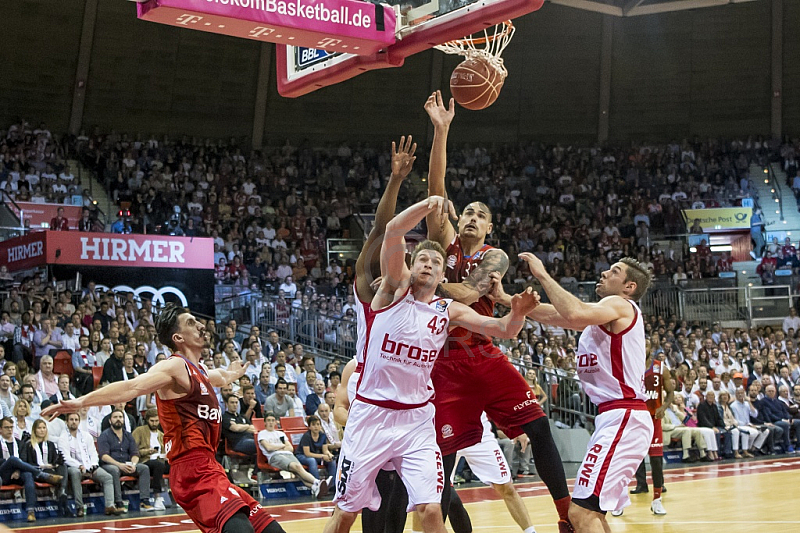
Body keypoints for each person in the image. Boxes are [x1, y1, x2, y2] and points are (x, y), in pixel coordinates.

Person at [323, 194, 539, 533]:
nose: (428, 264)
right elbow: (393, 229)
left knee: (431, 510)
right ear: (411, 265)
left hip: (417, 421)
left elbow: (502, 330)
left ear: (442, 277)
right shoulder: (393, 290)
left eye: (435, 263)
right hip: (372, 416)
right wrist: (431, 204)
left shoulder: (447, 311)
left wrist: (518, 313)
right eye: (421, 259)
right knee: (346, 513)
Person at [423, 92, 572, 533]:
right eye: (466, 211)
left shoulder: (496, 256)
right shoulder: (444, 242)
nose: (470, 217)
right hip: (442, 364)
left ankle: (566, 517)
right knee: (440, 463)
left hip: (483, 352)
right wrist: (442, 130)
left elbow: (467, 296)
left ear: (490, 228)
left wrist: (429, 285)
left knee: (540, 428)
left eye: (480, 215)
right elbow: (436, 192)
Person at [42, 304, 284, 533]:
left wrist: (232, 373)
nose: (200, 325)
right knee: (241, 529)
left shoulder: (199, 371)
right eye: (191, 323)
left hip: (210, 466)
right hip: (191, 468)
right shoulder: (174, 367)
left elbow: (219, 376)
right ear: (178, 338)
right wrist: (81, 402)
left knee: (270, 529)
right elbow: (132, 387)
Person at [514, 253, 654, 533]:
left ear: (629, 287)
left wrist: (542, 274)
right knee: (591, 512)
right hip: (614, 418)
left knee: (579, 513)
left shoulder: (620, 304)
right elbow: (557, 316)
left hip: (623, 416)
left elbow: (573, 312)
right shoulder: (603, 315)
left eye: (614, 271)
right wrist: (506, 300)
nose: (603, 273)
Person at [616, 350, 674, 517]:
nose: (643, 345)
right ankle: (620, 499)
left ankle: (657, 500)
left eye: (646, 343)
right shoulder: (628, 364)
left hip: (654, 418)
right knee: (627, 459)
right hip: (635, 418)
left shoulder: (660, 367)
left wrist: (664, 407)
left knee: (656, 461)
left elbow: (670, 391)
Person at [0, 417, 63, 522]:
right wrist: (14, 467)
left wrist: (18, 471)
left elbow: (23, 460)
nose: (10, 430)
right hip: (3, 473)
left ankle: (31, 512)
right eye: (6, 427)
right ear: (0, 429)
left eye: (11, 427)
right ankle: (43, 475)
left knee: (28, 474)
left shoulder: (19, 443)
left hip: (17, 473)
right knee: (12, 459)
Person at [58, 412, 117, 516]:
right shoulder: (62, 438)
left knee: (107, 477)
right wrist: (80, 466)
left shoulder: (86, 436)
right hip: (74, 467)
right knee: (75, 473)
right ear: (66, 422)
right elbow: (66, 458)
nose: (74, 422)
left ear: (79, 422)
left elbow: (93, 453)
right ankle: (79, 507)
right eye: (71, 419)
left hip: (89, 466)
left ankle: (110, 506)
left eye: (76, 420)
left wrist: (93, 465)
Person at [257, 412, 329, 497]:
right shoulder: (262, 434)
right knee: (298, 467)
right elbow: (268, 448)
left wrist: (276, 446)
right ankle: (318, 482)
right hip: (275, 456)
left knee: (299, 472)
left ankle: (315, 488)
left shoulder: (281, 434)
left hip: (288, 455)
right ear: (264, 422)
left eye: (273, 420)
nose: (271, 422)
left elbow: (290, 448)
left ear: (276, 422)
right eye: (268, 420)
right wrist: (282, 446)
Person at [97, 409, 154, 511]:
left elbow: (135, 453)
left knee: (144, 468)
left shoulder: (128, 435)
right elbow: (104, 456)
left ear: (123, 420)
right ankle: (118, 502)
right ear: (110, 421)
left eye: (120, 417)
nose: (118, 419)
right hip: (110, 465)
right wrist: (119, 465)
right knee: (114, 470)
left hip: (127, 464)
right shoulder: (104, 435)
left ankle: (144, 501)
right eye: (115, 417)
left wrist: (133, 464)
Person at [23, 419, 68, 515]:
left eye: (44, 428)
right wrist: (42, 466)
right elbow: (24, 463)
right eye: (39, 428)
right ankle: (62, 494)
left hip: (51, 470)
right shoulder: (28, 445)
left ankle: (62, 491)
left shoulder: (50, 444)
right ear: (34, 430)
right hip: (37, 472)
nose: (42, 430)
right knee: (51, 472)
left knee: (63, 466)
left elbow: (54, 460)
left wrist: (56, 463)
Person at [132, 408, 169, 510]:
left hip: (160, 461)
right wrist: (147, 451)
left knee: (178, 466)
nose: (154, 423)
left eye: (156, 421)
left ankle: (180, 496)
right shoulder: (139, 431)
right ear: (147, 420)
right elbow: (133, 450)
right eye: (152, 421)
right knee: (158, 465)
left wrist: (166, 456)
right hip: (144, 461)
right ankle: (157, 497)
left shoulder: (162, 435)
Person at [296, 415, 335, 480]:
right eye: (313, 425)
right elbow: (307, 453)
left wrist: (330, 455)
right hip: (302, 455)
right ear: (309, 427)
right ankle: (317, 483)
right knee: (312, 460)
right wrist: (322, 456)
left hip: (316, 455)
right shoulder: (306, 436)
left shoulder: (322, 435)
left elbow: (325, 451)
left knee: (331, 461)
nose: (316, 427)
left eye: (318, 424)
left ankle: (333, 485)